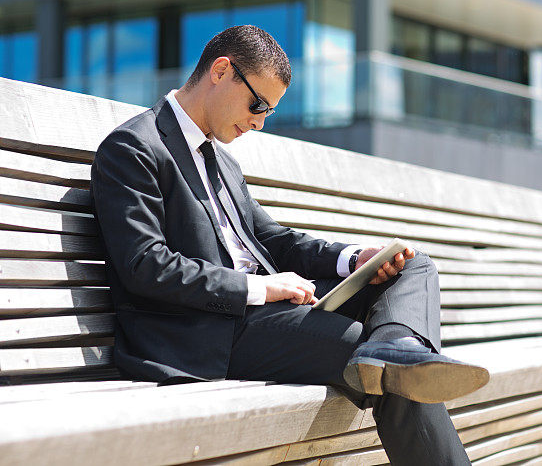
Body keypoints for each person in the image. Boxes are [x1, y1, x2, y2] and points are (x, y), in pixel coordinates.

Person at [90, 25, 489, 465]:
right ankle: (392, 354)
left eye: (268, 112)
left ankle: (395, 346)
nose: (259, 122)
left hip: (265, 317)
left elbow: (273, 240)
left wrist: (353, 258)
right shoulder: (135, 148)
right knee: (377, 361)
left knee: (413, 267)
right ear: (221, 71)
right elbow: (146, 265)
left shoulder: (219, 159)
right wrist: (262, 289)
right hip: (204, 331)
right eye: (257, 104)